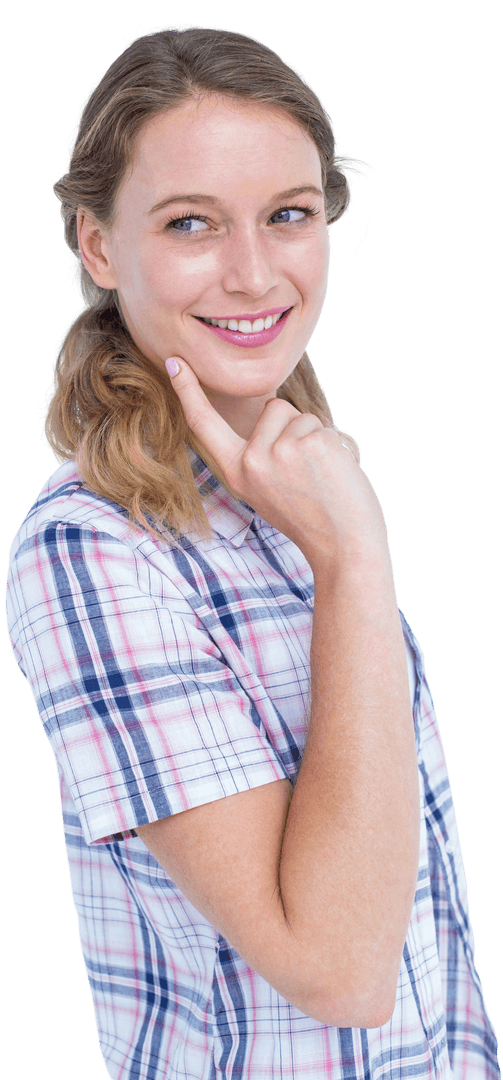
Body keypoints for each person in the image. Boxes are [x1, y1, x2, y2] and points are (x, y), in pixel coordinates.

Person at [5, 22, 500, 1080]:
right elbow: (340, 972)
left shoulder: (289, 495)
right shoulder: (92, 550)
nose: (252, 272)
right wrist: (355, 560)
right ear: (97, 245)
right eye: (190, 223)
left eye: (287, 215)